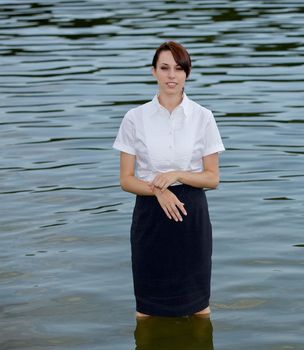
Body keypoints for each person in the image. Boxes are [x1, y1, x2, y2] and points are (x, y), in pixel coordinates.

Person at [113, 41, 225, 318]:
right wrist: (158, 190)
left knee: (199, 309)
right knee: (147, 311)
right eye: (164, 68)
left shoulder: (203, 117)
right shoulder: (134, 118)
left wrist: (177, 174)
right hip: (150, 216)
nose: (171, 75)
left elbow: (212, 178)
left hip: (191, 214)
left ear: (187, 73)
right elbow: (126, 180)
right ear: (153, 72)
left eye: (178, 68)